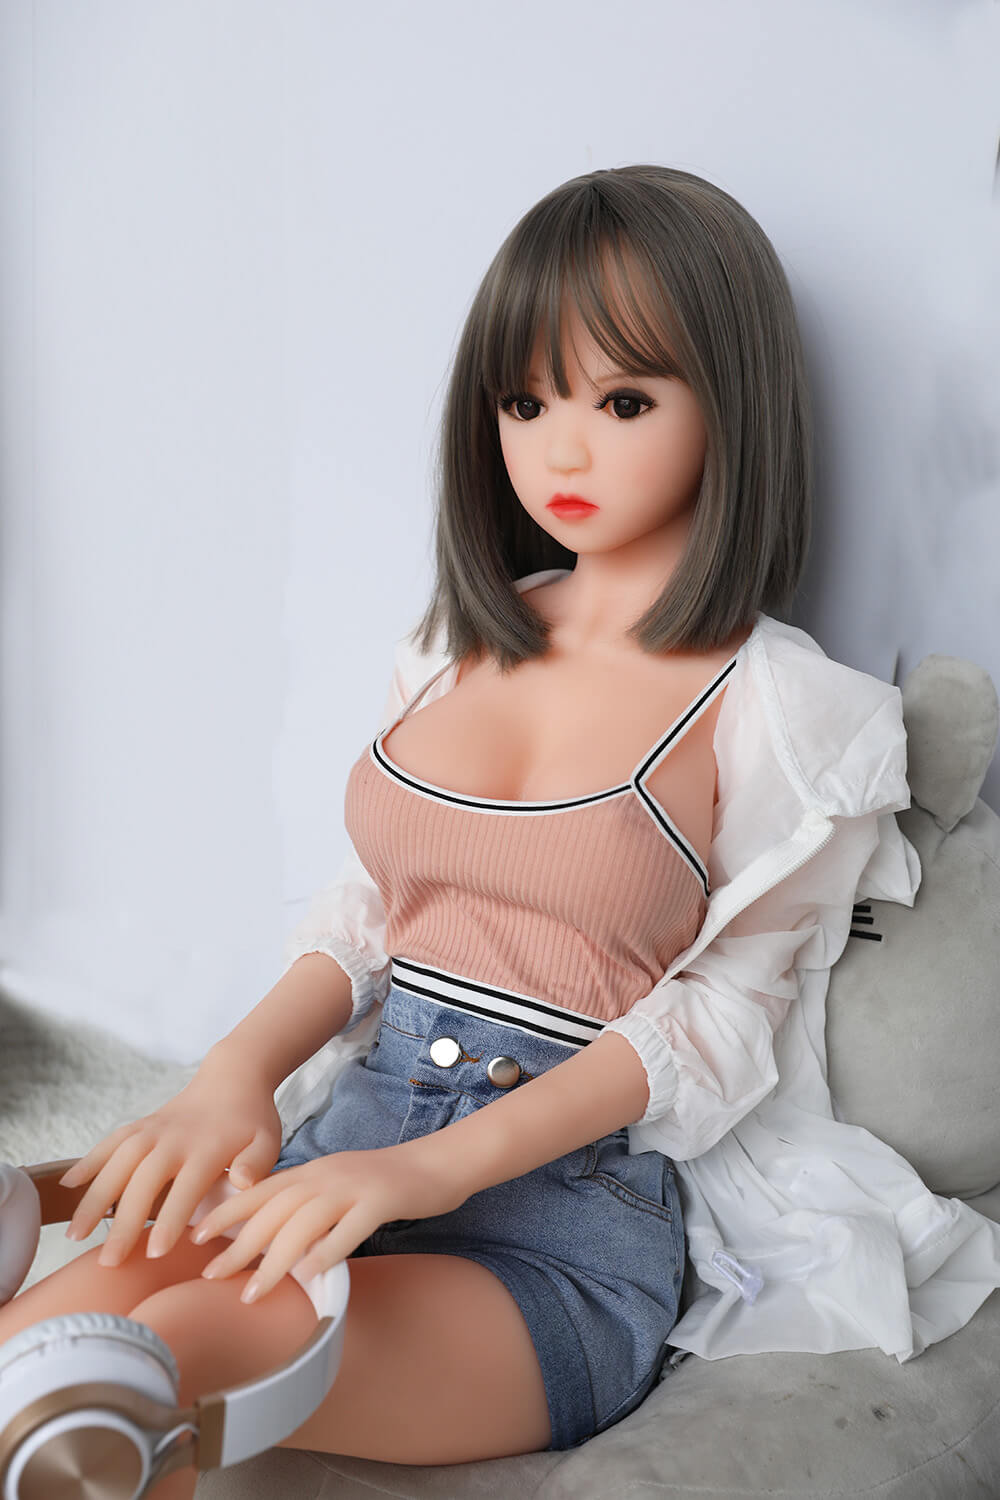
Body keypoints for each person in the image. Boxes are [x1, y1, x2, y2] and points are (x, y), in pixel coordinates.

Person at [3, 165, 997, 1494]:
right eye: (526, 403)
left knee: (141, 1365)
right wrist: (232, 1073)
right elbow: (371, 913)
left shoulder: (789, 712)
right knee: (44, 1340)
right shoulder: (454, 646)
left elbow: (715, 1024)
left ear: (733, 405)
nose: (559, 453)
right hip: (344, 1148)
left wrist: (432, 1172)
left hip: (556, 1228)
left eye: (623, 402)